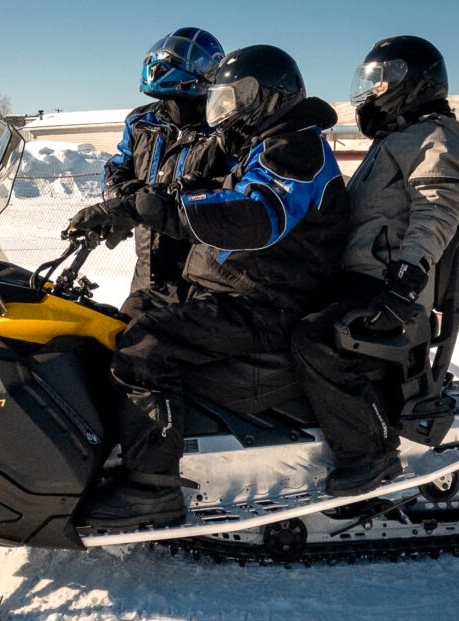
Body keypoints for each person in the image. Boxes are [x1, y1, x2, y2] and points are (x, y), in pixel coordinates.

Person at [71, 45, 349, 527]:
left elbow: (253, 213)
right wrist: (132, 205)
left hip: (268, 301)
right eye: (220, 98)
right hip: (238, 286)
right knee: (115, 322)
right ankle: (115, 448)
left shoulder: (294, 146)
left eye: (233, 97)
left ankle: (151, 488)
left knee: (145, 348)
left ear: (265, 96)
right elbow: (204, 191)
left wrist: (149, 208)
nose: (223, 110)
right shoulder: (263, 141)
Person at [291, 36, 459, 497]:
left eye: (382, 80)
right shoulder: (399, 138)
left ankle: (370, 454)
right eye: (371, 81)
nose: (372, 90)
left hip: (385, 284)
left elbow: (438, 208)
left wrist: (405, 280)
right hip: (361, 275)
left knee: (316, 339)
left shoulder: (439, 137)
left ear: (414, 82)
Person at [89, 27, 228, 319]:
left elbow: (224, 186)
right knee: (126, 332)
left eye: (179, 59)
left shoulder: (224, 129)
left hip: (200, 268)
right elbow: (118, 166)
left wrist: (148, 203)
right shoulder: (141, 120)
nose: (160, 65)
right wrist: (120, 203)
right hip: (147, 262)